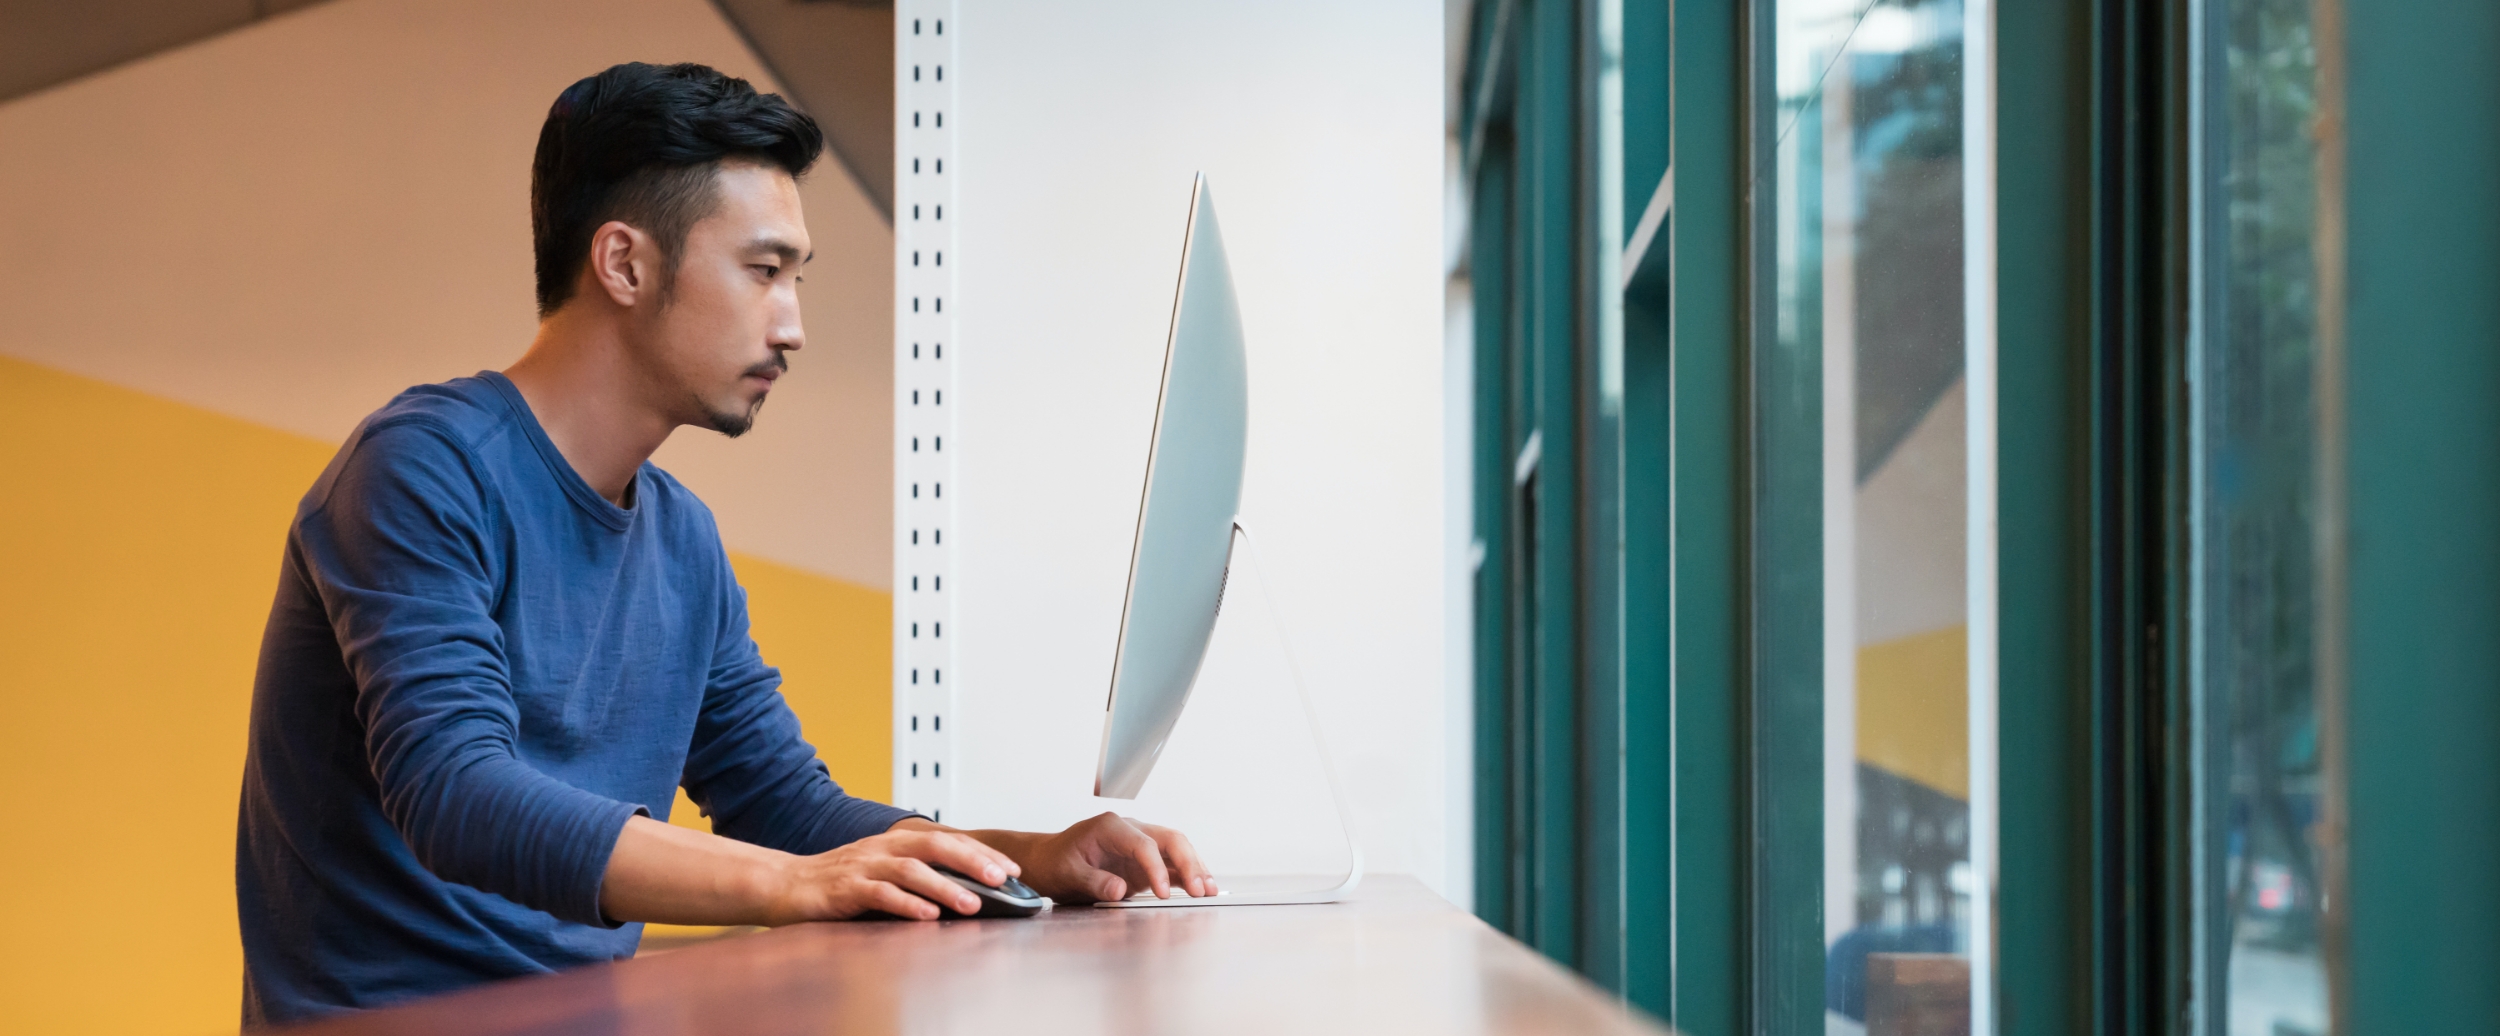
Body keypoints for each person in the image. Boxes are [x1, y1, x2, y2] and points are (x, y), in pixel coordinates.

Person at [234, 61, 1214, 1028]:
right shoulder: (422, 468)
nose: (790, 326)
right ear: (624, 263)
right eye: (762, 271)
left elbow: (787, 808)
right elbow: (456, 793)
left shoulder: (680, 535)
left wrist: (1024, 858)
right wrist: (795, 886)